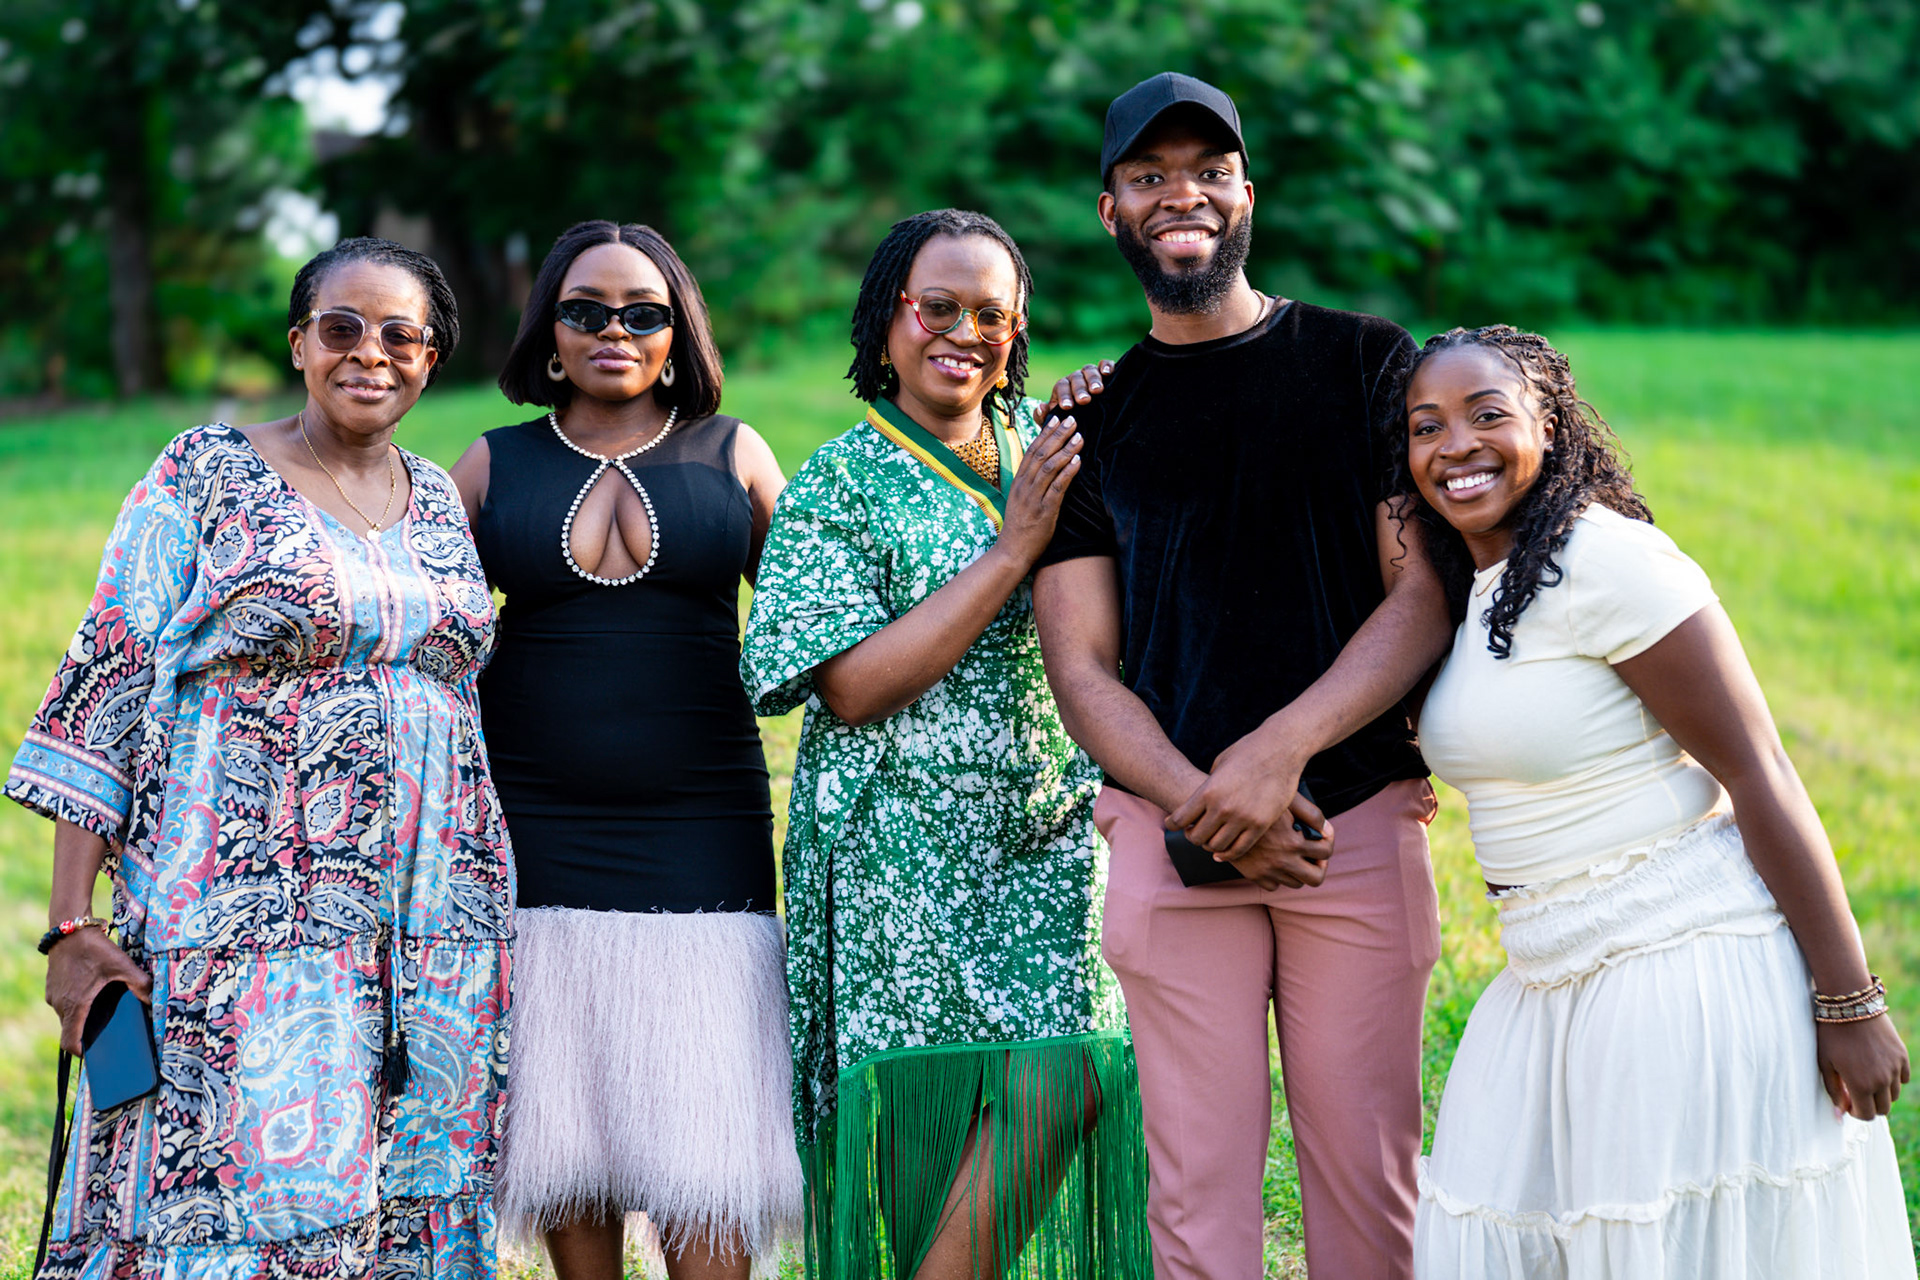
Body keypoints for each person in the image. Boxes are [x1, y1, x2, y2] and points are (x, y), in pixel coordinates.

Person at [6, 237, 512, 1278]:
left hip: (432, 916)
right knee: (227, 1184)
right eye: (341, 328)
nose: (369, 353)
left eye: (401, 335)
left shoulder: (436, 497)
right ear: (297, 343)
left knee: (418, 1178)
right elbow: (108, 681)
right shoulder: (205, 471)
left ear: (430, 360)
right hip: (241, 908)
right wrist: (70, 925)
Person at [1030, 73, 1454, 1279]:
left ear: (1248, 194)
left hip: (1349, 824)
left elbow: (1420, 597)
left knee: (1368, 1183)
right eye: (1150, 175)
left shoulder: (1364, 362)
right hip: (1171, 839)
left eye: (1209, 171)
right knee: (1195, 1196)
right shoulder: (1095, 422)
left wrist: (1275, 754)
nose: (1184, 196)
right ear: (1111, 210)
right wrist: (1204, 800)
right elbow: (1081, 666)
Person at [1392, 324, 1914, 1278]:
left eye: (1487, 415)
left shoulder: (1607, 558)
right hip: (1547, 970)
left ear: (1549, 424)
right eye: (1427, 427)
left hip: (1677, 961)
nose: (1456, 446)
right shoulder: (1467, 588)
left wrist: (1849, 1000)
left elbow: (1760, 771)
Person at [739, 208, 1150, 1280]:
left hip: (1049, 828)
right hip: (899, 843)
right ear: (888, 320)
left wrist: (1118, 400)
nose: (964, 333)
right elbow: (850, 686)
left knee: (1070, 1072)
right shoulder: (838, 482)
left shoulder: (1055, 449)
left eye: (991, 315)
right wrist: (1012, 550)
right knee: (931, 1106)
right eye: (938, 308)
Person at [448, 221, 795, 1280]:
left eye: (643, 312)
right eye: (586, 310)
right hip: (533, 823)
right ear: (550, 332)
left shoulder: (734, 451)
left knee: (708, 1132)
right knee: (569, 1114)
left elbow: (814, 624)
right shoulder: (491, 462)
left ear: (677, 331)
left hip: (705, 823)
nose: (615, 330)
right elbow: (418, 626)